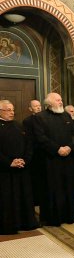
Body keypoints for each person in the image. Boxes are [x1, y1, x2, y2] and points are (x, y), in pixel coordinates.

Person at [33, 93, 74, 226]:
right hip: (50, 160)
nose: (61, 102)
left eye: (61, 99)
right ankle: (54, 218)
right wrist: (57, 149)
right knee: (53, 188)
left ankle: (70, 215)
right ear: (50, 103)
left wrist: (70, 147)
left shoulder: (66, 116)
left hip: (68, 159)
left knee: (69, 187)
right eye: (58, 100)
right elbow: (40, 138)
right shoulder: (40, 117)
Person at [0, 100, 38, 234]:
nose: (12, 112)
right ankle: (9, 226)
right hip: (4, 171)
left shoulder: (19, 125)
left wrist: (24, 160)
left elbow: (29, 144)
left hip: (22, 168)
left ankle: (26, 222)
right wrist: (9, 162)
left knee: (24, 195)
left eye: (12, 109)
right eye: (8, 110)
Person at [22, 99, 43, 206]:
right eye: (35, 106)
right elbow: (29, 139)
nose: (38, 107)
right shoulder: (27, 121)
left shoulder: (46, 118)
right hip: (35, 153)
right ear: (30, 109)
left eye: (39, 105)